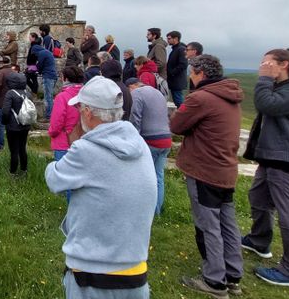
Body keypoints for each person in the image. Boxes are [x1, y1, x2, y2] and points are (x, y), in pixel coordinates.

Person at [45, 76, 156, 299]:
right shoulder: (139, 144)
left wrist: (75, 144)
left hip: (93, 274)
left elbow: (55, 179)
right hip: (135, 270)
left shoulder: (86, 150)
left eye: (79, 108)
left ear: (87, 112)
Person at [170, 54, 244, 297]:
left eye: (192, 72)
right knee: (227, 222)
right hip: (226, 168)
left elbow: (176, 126)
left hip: (204, 169)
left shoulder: (201, 98)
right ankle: (233, 274)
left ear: (200, 73)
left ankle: (214, 280)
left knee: (208, 224)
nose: (190, 76)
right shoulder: (230, 96)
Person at [242, 49, 289, 291]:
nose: (262, 66)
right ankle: (259, 241)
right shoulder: (282, 89)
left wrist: (263, 79)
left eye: (267, 62)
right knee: (258, 198)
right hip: (271, 156)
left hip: (286, 159)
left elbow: (266, 105)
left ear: (284, 65)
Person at [126, 77, 171, 215]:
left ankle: (145, 212)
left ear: (132, 86)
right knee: (158, 177)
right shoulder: (157, 93)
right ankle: (157, 210)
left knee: (145, 177)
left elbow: (135, 117)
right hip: (166, 139)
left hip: (150, 140)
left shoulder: (137, 94)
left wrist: (134, 140)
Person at [48, 66, 83, 163]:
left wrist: (51, 132)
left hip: (64, 141)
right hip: (83, 141)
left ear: (65, 78)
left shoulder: (62, 97)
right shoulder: (87, 95)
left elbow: (57, 122)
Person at [2, 72, 32, 175]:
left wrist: (4, 122)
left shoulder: (10, 93)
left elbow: (5, 111)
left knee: (14, 150)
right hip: (25, 125)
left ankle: (12, 172)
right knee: (22, 148)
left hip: (13, 126)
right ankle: (24, 170)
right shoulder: (27, 92)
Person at [31, 39, 57, 119]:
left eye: (34, 54)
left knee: (48, 97)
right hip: (52, 75)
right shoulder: (46, 52)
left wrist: (35, 70)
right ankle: (50, 115)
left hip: (48, 76)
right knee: (50, 97)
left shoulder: (42, 53)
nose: (35, 55)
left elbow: (40, 65)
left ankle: (48, 116)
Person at [166, 31, 189, 107]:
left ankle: (184, 117)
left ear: (176, 38)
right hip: (174, 81)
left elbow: (183, 64)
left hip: (177, 81)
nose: (167, 40)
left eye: (169, 38)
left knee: (179, 102)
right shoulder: (175, 50)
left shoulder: (181, 49)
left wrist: (172, 72)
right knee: (177, 101)